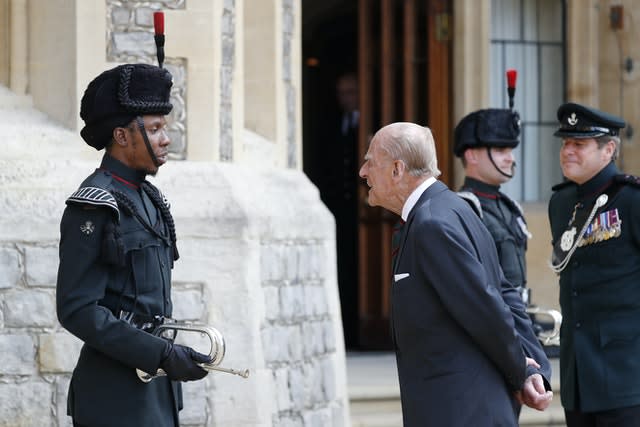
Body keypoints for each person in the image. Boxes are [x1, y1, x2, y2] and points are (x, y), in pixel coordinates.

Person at [359, 122, 552, 426]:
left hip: (460, 411)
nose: (363, 171)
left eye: (370, 161)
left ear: (397, 169)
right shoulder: (450, 209)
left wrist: (522, 371)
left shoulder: (431, 223)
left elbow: (487, 307)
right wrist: (531, 368)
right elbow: (504, 294)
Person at [56, 63, 211, 427]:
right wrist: (160, 353)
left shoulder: (148, 198)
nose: (165, 139)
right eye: (155, 129)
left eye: (164, 128)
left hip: (155, 391)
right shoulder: (95, 204)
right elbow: (77, 308)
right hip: (114, 397)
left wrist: (166, 357)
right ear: (122, 136)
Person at [549, 102, 640, 426]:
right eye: (565, 143)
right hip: (578, 378)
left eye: (579, 144)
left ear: (609, 149)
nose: (567, 151)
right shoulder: (561, 203)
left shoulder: (631, 199)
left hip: (626, 377)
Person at [453, 108, 531, 299]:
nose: (510, 158)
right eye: (500, 150)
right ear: (471, 156)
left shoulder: (510, 207)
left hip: (517, 314)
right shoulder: (462, 209)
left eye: (510, 150)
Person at [316, 71, 360, 347]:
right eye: (341, 93)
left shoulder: (371, 123)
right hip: (341, 211)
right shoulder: (334, 125)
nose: (345, 98)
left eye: (350, 92)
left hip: (366, 215)